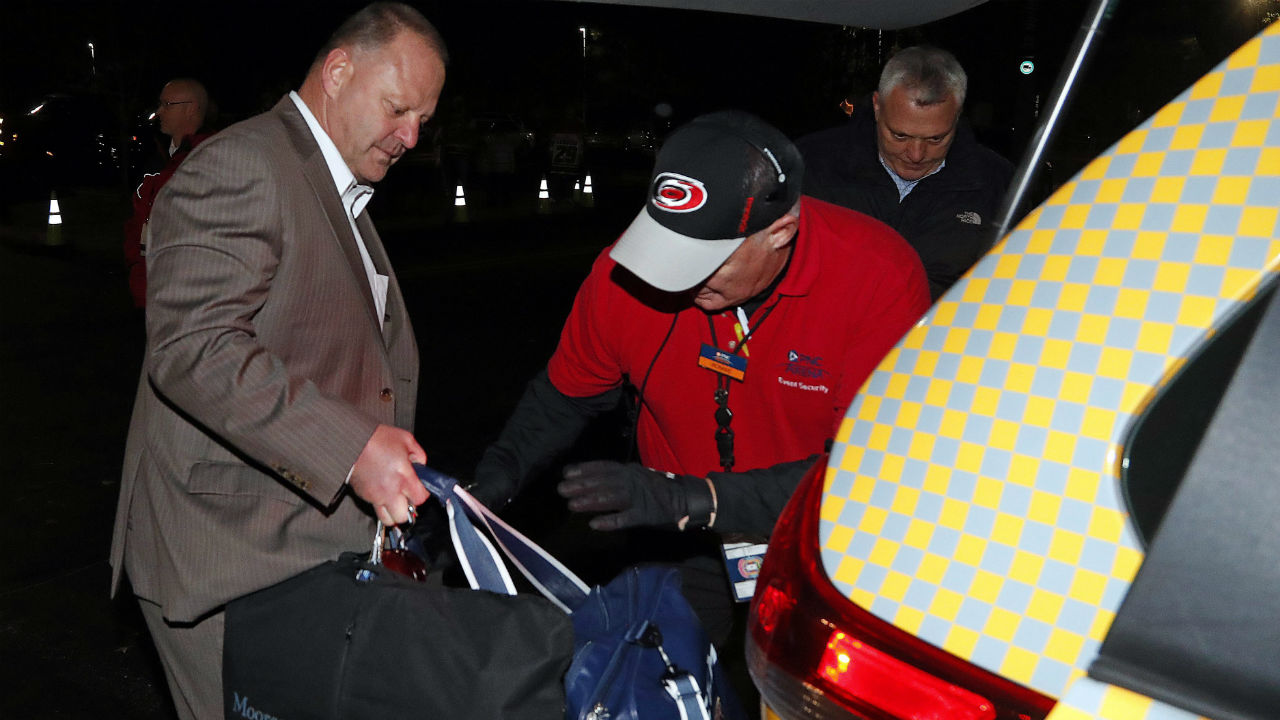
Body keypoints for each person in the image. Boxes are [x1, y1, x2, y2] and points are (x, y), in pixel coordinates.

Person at [470, 110, 930, 649]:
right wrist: (500, 473)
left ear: (780, 231)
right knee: (659, 685)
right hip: (676, 531)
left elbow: (869, 472)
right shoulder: (626, 272)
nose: (672, 280)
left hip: (817, 536)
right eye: (669, 249)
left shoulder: (879, 279)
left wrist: (698, 498)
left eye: (703, 261)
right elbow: (567, 397)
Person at [108, 4, 447, 718]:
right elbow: (194, 346)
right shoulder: (243, 162)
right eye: (398, 108)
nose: (411, 136)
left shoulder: (336, 190)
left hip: (302, 553)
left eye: (423, 118)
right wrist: (352, 448)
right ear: (338, 70)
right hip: (227, 560)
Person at [797, 45, 1014, 301]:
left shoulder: (1000, 184)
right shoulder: (809, 164)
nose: (916, 154)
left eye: (936, 139)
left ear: (957, 116)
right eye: (899, 135)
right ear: (877, 106)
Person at [123, 77, 214, 308]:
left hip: (189, 296)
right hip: (150, 289)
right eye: (160, 104)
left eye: (167, 105)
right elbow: (138, 218)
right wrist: (135, 264)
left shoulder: (210, 159)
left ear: (191, 108)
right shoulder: (158, 159)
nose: (160, 111)